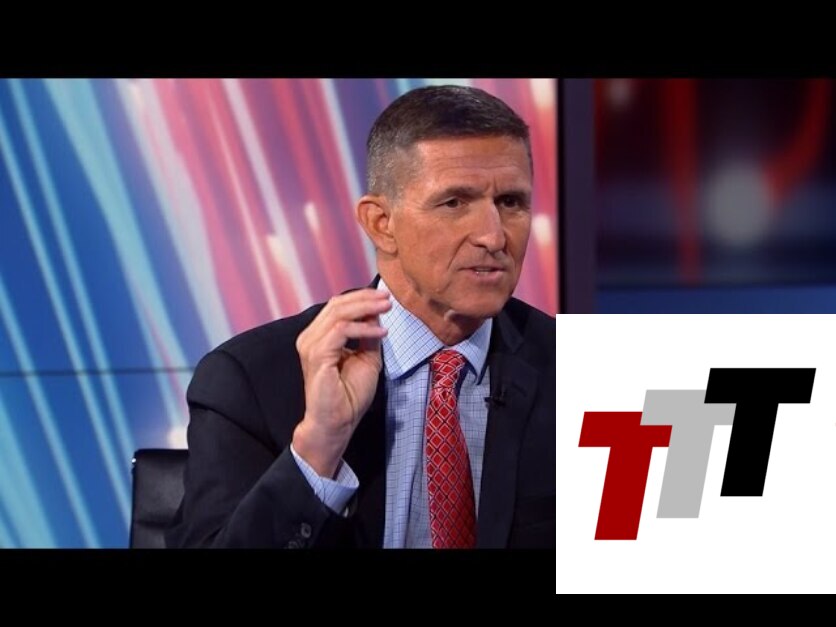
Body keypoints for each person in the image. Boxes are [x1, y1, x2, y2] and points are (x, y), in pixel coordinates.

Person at [166, 84, 555, 549]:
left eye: (510, 202)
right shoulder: (250, 381)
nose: (493, 236)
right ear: (380, 224)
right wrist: (318, 449)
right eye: (454, 203)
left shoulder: (583, 372)